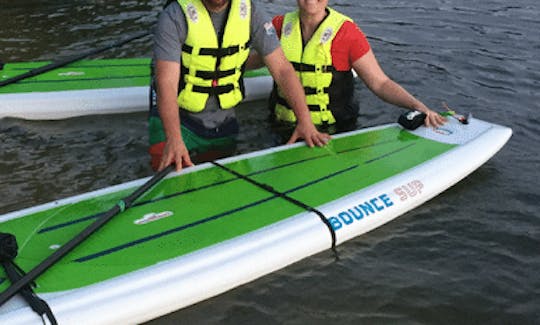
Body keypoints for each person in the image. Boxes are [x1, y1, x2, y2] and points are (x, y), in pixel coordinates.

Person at [148, 0, 331, 172]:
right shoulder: (173, 16)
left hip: (224, 125)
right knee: (172, 187)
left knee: (219, 186)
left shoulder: (252, 12)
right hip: (178, 123)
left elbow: (282, 70)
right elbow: (167, 83)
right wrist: (174, 139)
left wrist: (305, 122)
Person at [266, 0, 446, 133]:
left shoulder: (348, 33)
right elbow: (257, 58)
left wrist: (418, 106)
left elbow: (380, 83)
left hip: (332, 129)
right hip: (281, 123)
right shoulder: (280, 25)